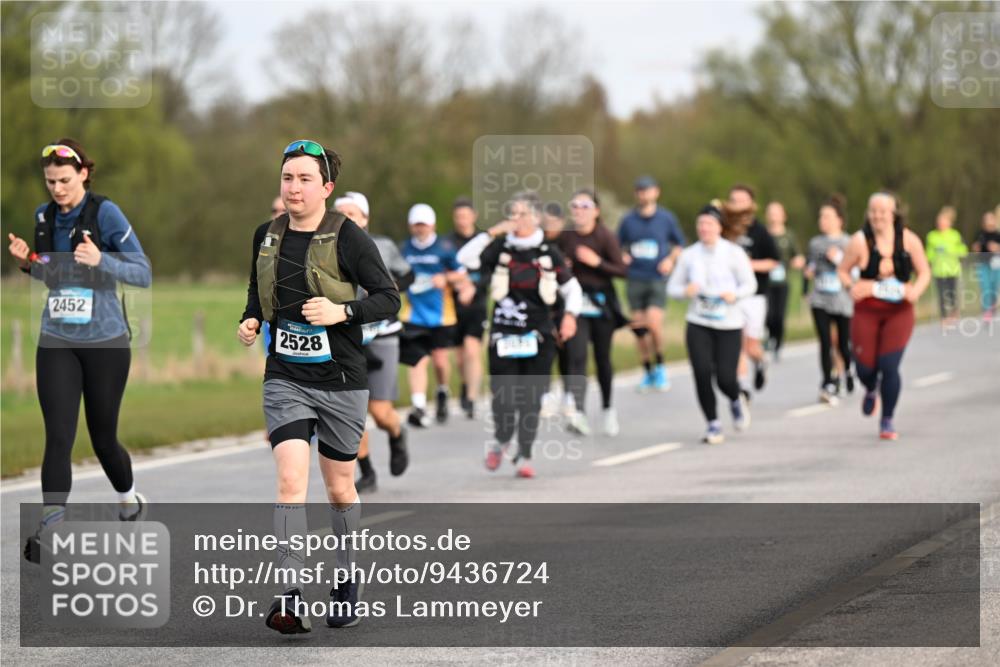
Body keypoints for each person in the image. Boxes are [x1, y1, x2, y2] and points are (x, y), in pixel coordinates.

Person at [238, 139, 399, 633]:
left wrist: (341, 311)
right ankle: (289, 594)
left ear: (326, 188)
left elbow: (388, 298)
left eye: (305, 179)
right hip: (285, 376)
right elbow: (255, 292)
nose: (294, 187)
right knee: (290, 482)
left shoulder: (349, 237)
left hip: (341, 380)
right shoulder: (266, 235)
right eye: (288, 177)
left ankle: (347, 579)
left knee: (339, 487)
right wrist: (250, 320)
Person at [9, 139, 152, 563]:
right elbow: (54, 274)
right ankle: (52, 527)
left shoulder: (105, 213)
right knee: (58, 436)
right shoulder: (44, 216)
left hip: (106, 343)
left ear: (84, 174)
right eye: (50, 181)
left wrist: (101, 260)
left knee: (103, 438)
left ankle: (128, 500)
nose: (57, 189)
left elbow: (142, 272)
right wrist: (29, 262)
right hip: (57, 340)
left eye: (64, 181)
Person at [457, 191, 582, 478]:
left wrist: (570, 317)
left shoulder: (548, 252)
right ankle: (502, 440)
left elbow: (572, 288)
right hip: (504, 334)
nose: (516, 219)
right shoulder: (500, 247)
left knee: (531, 398)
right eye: (512, 213)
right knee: (504, 397)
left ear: (536, 217)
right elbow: (464, 257)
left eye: (522, 214)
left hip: (538, 336)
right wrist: (491, 232)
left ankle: (524, 454)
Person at [332, 191, 413, 494]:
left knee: (379, 412)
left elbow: (408, 275)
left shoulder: (383, 246)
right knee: (353, 410)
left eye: (352, 214)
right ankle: (367, 472)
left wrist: (385, 288)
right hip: (346, 336)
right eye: (340, 213)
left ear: (365, 218)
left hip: (382, 333)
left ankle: (396, 432)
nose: (345, 219)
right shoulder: (324, 249)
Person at [838, 192, 930, 441]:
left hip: (899, 311)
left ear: (894, 214)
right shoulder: (859, 241)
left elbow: (924, 272)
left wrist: (915, 291)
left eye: (882, 211)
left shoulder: (908, 240)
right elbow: (843, 271)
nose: (877, 216)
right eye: (873, 211)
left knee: (889, 366)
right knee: (864, 368)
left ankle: (887, 419)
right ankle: (870, 387)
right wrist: (851, 286)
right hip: (867, 310)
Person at [667, 203, 756, 445]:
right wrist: (685, 291)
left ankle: (736, 399)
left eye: (709, 223)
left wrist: (734, 295)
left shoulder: (733, 253)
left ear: (719, 227)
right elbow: (672, 288)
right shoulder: (689, 255)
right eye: (701, 224)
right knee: (701, 373)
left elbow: (750, 284)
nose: (704, 228)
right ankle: (713, 423)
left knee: (725, 378)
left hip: (729, 323)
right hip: (698, 322)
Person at [559, 188, 629, 436]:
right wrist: (563, 266)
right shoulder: (566, 237)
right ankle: (578, 412)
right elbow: (555, 266)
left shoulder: (605, 237)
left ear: (596, 211)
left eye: (585, 206)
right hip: (575, 304)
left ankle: (608, 409)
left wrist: (596, 262)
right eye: (575, 206)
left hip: (601, 304)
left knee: (602, 359)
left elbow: (622, 270)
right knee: (576, 356)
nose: (579, 210)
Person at [399, 203, 472, 427]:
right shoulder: (404, 249)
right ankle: (419, 405)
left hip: (441, 315)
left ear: (432, 225)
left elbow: (461, 274)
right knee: (417, 361)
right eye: (416, 224)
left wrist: (445, 279)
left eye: (424, 224)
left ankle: (442, 390)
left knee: (440, 361)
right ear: (411, 226)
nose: (420, 228)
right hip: (413, 315)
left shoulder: (445, 247)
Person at [617, 176, 686, 392]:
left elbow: (679, 244)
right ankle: (647, 370)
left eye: (647, 190)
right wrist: (622, 255)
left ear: (656, 192)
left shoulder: (666, 218)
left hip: (656, 278)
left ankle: (661, 365)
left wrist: (670, 260)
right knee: (639, 328)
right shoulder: (628, 220)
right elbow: (617, 245)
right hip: (635, 277)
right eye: (640, 191)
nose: (643, 194)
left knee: (654, 324)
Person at [723, 185, 780, 396]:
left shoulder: (760, 231)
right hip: (731, 296)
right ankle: (743, 386)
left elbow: (773, 262)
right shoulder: (724, 229)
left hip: (755, 295)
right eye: (733, 200)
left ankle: (760, 361)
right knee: (736, 343)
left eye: (742, 200)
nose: (737, 205)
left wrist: (748, 265)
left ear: (751, 204)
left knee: (751, 346)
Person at [804, 195, 854, 404]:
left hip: (842, 300)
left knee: (843, 344)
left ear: (839, 220)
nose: (822, 220)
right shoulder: (815, 243)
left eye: (827, 216)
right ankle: (827, 382)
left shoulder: (849, 242)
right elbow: (811, 265)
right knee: (825, 342)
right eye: (820, 216)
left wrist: (839, 258)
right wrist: (808, 274)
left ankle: (848, 371)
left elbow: (856, 272)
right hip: (820, 299)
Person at [448, 197, 488, 419]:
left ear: (474, 216)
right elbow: (444, 269)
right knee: (460, 357)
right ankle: (465, 384)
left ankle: (472, 398)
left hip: (477, 304)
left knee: (473, 350)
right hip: (453, 305)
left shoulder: (484, 241)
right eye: (458, 217)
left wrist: (473, 286)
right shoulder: (448, 243)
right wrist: (456, 283)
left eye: (466, 216)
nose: (462, 220)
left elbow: (490, 272)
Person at [764, 201, 805, 360]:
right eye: (771, 214)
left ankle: (778, 342)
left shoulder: (789, 236)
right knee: (768, 314)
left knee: (779, 316)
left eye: (776, 214)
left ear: (783, 216)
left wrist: (797, 262)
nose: (773, 217)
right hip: (766, 282)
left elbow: (798, 257)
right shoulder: (764, 234)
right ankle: (769, 337)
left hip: (782, 282)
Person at [925, 206, 968, 324]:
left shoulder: (955, 235)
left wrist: (951, 251)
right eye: (939, 221)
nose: (940, 224)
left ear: (949, 223)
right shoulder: (931, 236)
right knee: (941, 295)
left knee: (951, 293)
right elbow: (929, 253)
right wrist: (929, 260)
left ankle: (954, 311)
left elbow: (963, 250)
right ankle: (943, 317)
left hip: (952, 269)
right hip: (938, 270)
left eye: (943, 221)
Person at [970, 210, 1000, 321]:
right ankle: (987, 310)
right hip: (983, 264)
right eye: (986, 219)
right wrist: (976, 248)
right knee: (985, 286)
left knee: (994, 286)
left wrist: (996, 248)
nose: (988, 221)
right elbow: (974, 247)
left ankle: (993, 306)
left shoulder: (997, 235)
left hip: (996, 265)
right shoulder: (980, 234)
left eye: (990, 219)